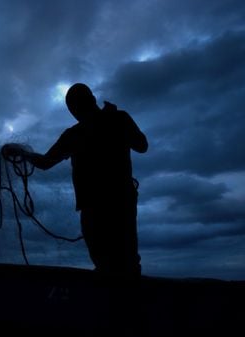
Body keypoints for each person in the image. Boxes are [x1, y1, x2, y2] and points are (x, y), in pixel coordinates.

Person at [19, 83, 148, 278]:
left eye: (74, 108)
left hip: (104, 205)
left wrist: (22, 154)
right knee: (122, 262)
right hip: (113, 203)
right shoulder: (115, 120)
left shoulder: (79, 133)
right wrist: (23, 154)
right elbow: (142, 145)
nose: (74, 112)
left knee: (113, 263)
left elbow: (45, 163)